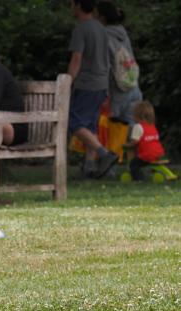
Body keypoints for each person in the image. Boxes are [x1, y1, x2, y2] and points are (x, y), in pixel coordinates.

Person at [67, 0, 117, 179]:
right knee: (90, 125)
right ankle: (90, 167)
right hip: (102, 84)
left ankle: (104, 154)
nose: (71, 8)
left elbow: (76, 59)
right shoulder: (101, 28)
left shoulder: (81, 29)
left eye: (72, 4)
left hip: (87, 83)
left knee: (74, 122)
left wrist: (68, 81)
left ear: (79, 6)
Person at [96, 0, 142, 126]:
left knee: (112, 136)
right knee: (133, 134)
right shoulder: (123, 33)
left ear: (102, 18)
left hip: (116, 93)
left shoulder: (103, 36)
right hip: (133, 86)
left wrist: (104, 94)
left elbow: (104, 67)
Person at [126, 101, 166, 181]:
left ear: (138, 116)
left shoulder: (138, 126)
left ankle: (139, 179)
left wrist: (126, 145)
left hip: (147, 155)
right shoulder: (152, 126)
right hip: (158, 153)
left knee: (133, 164)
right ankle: (152, 172)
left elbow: (134, 142)